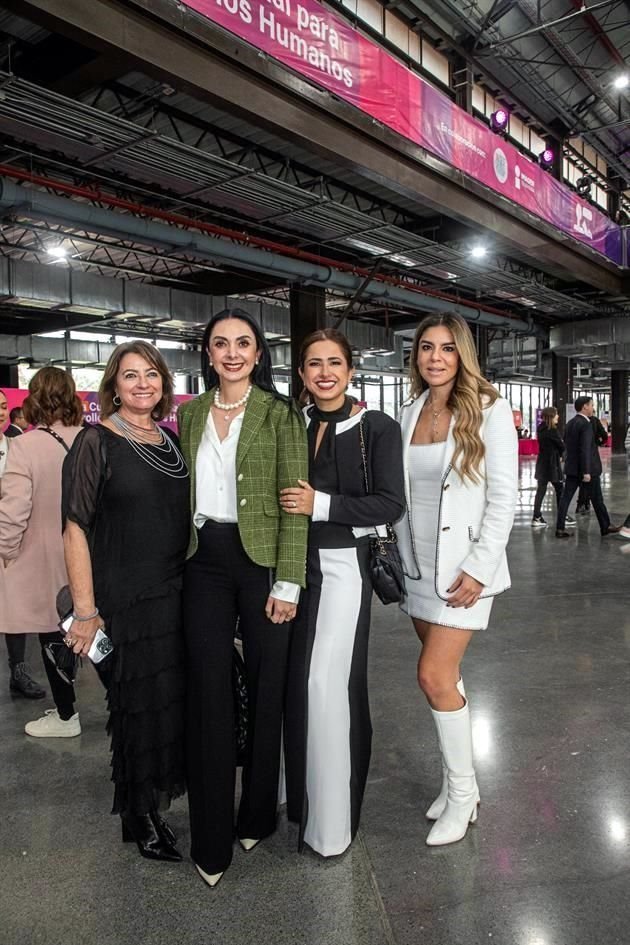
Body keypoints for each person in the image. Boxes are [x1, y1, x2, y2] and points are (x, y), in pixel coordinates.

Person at [178, 307, 308, 889]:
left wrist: (288, 581)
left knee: (265, 685)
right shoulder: (191, 414)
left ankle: (256, 812)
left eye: (244, 343)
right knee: (208, 693)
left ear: (259, 354)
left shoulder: (280, 415)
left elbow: (293, 501)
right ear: (207, 353)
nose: (232, 352)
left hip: (262, 563)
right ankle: (210, 838)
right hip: (201, 559)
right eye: (220, 343)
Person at [61, 341, 189, 861]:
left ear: (163, 384)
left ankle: (152, 802)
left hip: (175, 591)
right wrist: (87, 612)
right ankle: (137, 814)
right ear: (113, 385)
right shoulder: (95, 442)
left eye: (151, 374)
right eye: (131, 376)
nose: (142, 384)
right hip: (126, 597)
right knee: (135, 707)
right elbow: (74, 529)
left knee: (165, 704)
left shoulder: (169, 441)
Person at [395, 313, 518, 846]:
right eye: (427, 348)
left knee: (433, 676)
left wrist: (480, 567)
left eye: (446, 348)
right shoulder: (409, 410)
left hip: (464, 572)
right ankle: (455, 783)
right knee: (448, 679)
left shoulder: (490, 409)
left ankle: (464, 794)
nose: (435, 357)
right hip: (417, 566)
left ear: (461, 354)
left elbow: (504, 497)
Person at [281, 329, 405, 858]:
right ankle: (298, 802)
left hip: (343, 568)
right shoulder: (293, 423)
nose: (325, 372)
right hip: (290, 570)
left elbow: (389, 504)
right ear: (303, 373)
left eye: (335, 362)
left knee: (327, 687)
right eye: (314, 364)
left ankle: (331, 825)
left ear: (351, 370)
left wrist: (321, 504)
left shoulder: (376, 427)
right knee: (296, 687)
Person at [0, 371, 83, 719]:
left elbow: (13, 512)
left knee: (52, 633)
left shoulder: (24, 446)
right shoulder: (90, 438)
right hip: (89, 559)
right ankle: (123, 704)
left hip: (45, 559)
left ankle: (66, 714)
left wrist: (6, 550)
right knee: (91, 632)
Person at [556, 396, 620, 539]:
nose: (593, 408)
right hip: (587, 469)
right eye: (591, 405)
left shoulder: (571, 423)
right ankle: (606, 526)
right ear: (585, 407)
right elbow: (585, 449)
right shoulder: (586, 424)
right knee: (597, 499)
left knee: (565, 499)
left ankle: (560, 528)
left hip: (572, 468)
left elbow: (567, 445)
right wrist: (586, 471)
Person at [531, 407, 575, 529]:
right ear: (551, 416)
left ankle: (536, 517)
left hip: (542, 463)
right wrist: (562, 455)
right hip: (552, 465)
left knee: (541, 490)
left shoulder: (541, 429)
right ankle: (563, 516)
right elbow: (562, 446)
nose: (558, 416)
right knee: (560, 490)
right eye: (556, 414)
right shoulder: (553, 431)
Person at [576, 414, 608, 514]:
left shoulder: (576, 421)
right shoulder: (594, 421)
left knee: (584, 480)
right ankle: (587, 503)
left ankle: (582, 503)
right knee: (593, 481)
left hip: (580, 454)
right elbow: (604, 435)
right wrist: (598, 443)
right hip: (592, 455)